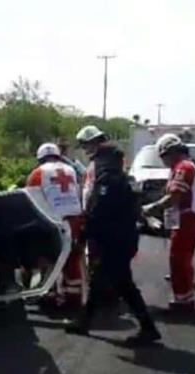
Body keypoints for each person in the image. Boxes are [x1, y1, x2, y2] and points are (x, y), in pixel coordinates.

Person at [66, 126, 161, 346]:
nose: (85, 149)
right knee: (101, 280)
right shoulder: (114, 164)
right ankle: (85, 322)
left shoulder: (105, 167)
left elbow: (100, 202)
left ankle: (148, 328)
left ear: (94, 143)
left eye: (86, 145)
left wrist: (88, 228)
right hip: (119, 234)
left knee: (122, 283)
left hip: (113, 236)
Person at [142, 134, 195, 312]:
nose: (163, 161)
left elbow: (174, 197)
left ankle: (183, 301)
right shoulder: (182, 166)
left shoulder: (183, 167)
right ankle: (185, 297)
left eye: (163, 157)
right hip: (184, 219)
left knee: (178, 261)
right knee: (182, 260)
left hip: (187, 219)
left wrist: (151, 208)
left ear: (169, 153)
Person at [26, 143, 85, 307]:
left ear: (40, 159)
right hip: (74, 219)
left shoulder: (38, 173)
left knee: (48, 257)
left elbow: (31, 200)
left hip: (52, 221)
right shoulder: (71, 170)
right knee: (72, 258)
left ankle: (49, 296)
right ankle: (74, 298)